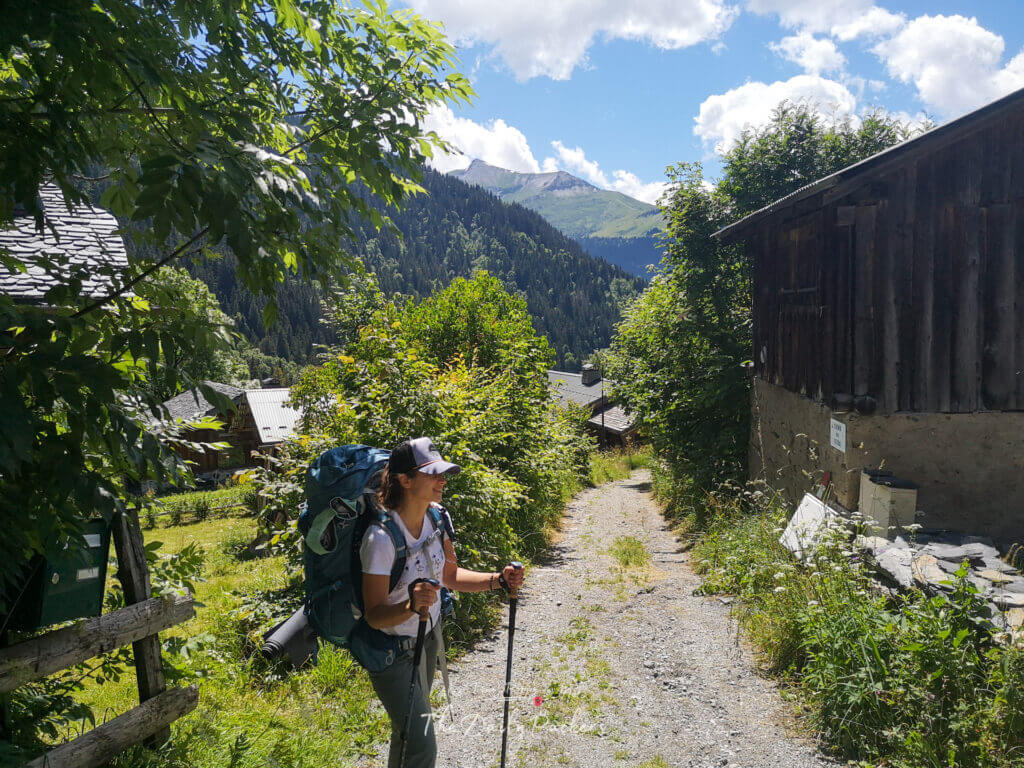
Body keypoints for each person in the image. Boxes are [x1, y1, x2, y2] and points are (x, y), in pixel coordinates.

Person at [360, 437, 525, 768]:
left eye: (443, 473)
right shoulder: (379, 538)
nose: (443, 480)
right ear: (405, 480)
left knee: (406, 734)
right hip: (391, 655)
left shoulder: (436, 518)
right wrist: (410, 605)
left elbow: (449, 575)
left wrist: (498, 580)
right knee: (422, 747)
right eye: (433, 474)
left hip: (428, 640)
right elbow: (374, 616)